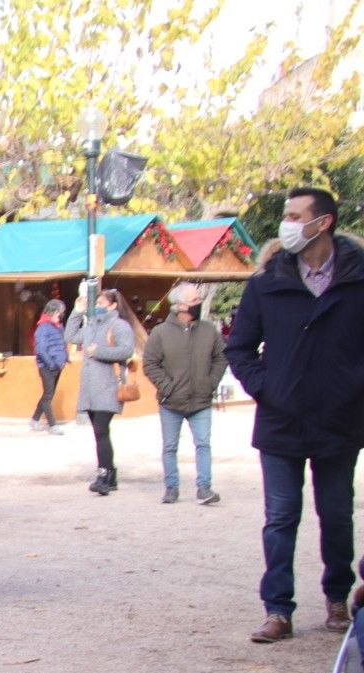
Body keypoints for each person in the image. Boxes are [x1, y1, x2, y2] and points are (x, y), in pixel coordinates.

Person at [226, 187, 364, 643]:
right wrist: (268, 388)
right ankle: (278, 610)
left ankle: (338, 599)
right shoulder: (266, 283)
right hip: (281, 422)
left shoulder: (358, 281)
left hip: (340, 422)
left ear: (321, 222)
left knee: (337, 515)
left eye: (293, 215)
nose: (285, 223)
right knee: (280, 518)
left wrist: (352, 388)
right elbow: (240, 348)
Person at [143, 283, 226, 506]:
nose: (198, 304)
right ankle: (171, 488)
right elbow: (150, 364)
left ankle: (204, 488)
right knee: (170, 447)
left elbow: (221, 357)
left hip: (201, 400)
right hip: (171, 402)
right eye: (194, 301)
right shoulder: (160, 333)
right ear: (179, 305)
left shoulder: (209, 330)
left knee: (203, 445)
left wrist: (210, 383)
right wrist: (167, 387)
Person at [68, 288, 143, 495]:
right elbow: (71, 336)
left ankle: (103, 475)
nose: (98, 307)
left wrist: (98, 352)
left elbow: (126, 350)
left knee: (101, 431)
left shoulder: (119, 326)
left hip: (109, 386)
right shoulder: (92, 325)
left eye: (101, 303)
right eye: (97, 303)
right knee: (100, 432)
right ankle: (111, 475)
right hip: (90, 388)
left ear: (113, 305)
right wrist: (77, 312)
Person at [30, 299, 68, 434]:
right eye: (61, 311)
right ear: (55, 311)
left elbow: (62, 344)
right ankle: (53, 425)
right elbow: (40, 349)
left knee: (48, 395)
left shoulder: (58, 326)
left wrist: (65, 359)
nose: (62, 313)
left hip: (57, 365)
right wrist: (51, 364)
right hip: (47, 366)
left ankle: (34, 420)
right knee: (48, 396)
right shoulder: (43, 327)